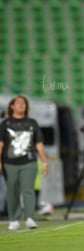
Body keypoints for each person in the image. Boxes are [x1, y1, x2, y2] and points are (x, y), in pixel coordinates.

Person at [0, 95, 48, 230]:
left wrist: (44, 162)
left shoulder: (32, 123)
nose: (21, 105)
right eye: (18, 103)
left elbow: (39, 143)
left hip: (29, 161)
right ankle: (13, 219)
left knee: (28, 190)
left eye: (24, 103)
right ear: (12, 106)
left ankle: (29, 218)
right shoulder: (5, 124)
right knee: (12, 191)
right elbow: (1, 144)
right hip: (9, 163)